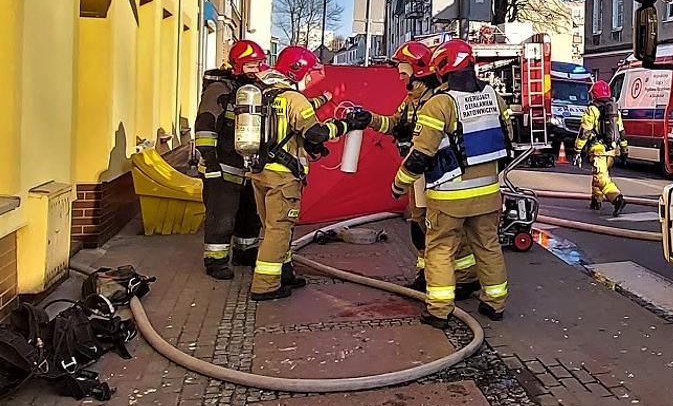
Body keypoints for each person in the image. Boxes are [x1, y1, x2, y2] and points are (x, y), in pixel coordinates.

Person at [395, 39, 510, 327]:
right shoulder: (493, 96)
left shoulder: (440, 104)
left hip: (449, 197)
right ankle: (495, 304)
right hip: (488, 193)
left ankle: (439, 311)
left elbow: (420, 154)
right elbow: (507, 141)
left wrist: (399, 183)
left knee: (440, 250)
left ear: (442, 69)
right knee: (488, 246)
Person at [358, 41, 479, 296]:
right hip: (418, 173)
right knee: (419, 226)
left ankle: (466, 278)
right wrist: (368, 119)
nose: (399, 74)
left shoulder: (439, 99)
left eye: (403, 68)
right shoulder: (411, 99)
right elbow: (393, 123)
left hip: (439, 173)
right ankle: (426, 273)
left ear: (419, 69)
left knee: (444, 229)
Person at [243, 45, 359, 302]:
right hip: (283, 176)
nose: (309, 78)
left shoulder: (263, 92)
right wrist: (346, 125)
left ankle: (284, 273)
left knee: (272, 226)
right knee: (279, 228)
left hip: (260, 172)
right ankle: (265, 286)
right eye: (308, 72)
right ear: (297, 71)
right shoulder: (293, 98)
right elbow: (315, 132)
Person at [194, 39, 266, 280]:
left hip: (246, 166)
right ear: (237, 65)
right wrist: (210, 161)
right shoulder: (219, 89)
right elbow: (205, 126)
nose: (256, 69)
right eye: (251, 65)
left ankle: (245, 252)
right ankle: (216, 261)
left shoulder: (254, 90)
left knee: (249, 213)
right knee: (222, 216)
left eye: (259, 64)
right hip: (221, 167)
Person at [580, 78, 628, 216]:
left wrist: (577, 149)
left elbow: (584, 132)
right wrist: (624, 151)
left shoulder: (592, 110)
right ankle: (596, 200)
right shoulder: (615, 111)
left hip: (598, 150)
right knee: (598, 175)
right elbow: (621, 132)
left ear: (594, 94)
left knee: (601, 178)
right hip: (611, 151)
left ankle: (617, 199)